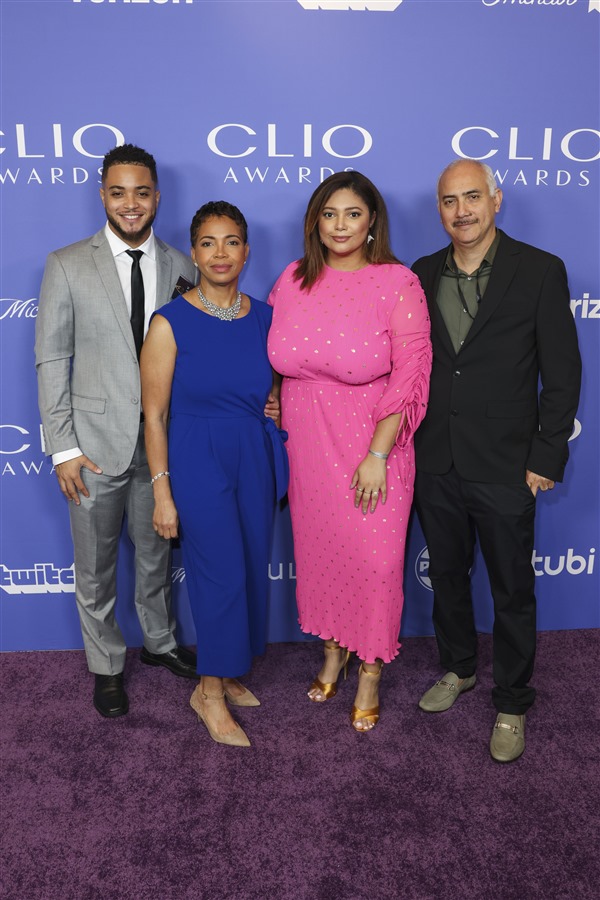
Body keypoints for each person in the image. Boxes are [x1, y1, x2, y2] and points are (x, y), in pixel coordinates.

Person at [413, 159, 581, 762]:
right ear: (440, 210)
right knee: (447, 576)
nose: (461, 211)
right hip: (436, 458)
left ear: (496, 199)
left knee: (512, 589)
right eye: (449, 201)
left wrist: (547, 454)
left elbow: (562, 372)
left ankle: (511, 699)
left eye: (472, 197)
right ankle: (459, 667)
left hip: (509, 464)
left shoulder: (539, 270)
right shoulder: (420, 273)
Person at [35, 144, 198, 719]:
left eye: (142, 192)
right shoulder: (66, 264)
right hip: (92, 448)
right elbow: (52, 359)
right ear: (102, 194)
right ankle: (106, 666)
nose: (131, 204)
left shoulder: (182, 266)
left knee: (156, 556)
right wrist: (63, 449)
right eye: (119, 192)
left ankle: (159, 642)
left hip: (160, 446)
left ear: (157, 196)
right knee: (95, 567)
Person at [268, 171, 432, 732]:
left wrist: (378, 455)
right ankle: (333, 651)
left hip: (372, 443)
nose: (340, 225)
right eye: (329, 213)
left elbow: (410, 376)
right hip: (306, 445)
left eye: (353, 214)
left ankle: (370, 669)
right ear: (315, 221)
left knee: (376, 564)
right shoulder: (292, 278)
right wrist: (272, 397)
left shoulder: (398, 282)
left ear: (372, 222)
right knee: (322, 556)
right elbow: (273, 351)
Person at [141, 201, 288, 748]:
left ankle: (225, 671)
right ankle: (208, 692)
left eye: (231, 242)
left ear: (246, 252)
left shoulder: (267, 318)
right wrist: (162, 492)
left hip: (253, 452)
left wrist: (275, 407)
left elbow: (275, 388)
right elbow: (154, 416)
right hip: (196, 456)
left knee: (248, 566)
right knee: (219, 573)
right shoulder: (169, 322)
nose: (220, 253)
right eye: (208, 242)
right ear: (194, 252)